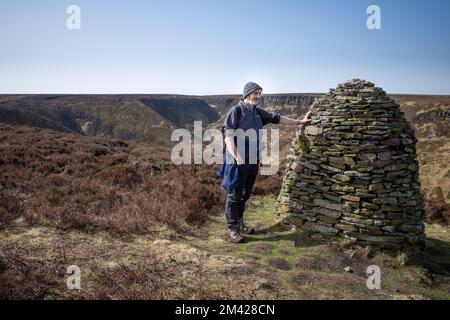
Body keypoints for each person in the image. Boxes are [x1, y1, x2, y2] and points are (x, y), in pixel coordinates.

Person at [223, 81, 312, 243]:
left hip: (253, 160)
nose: (258, 97)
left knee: (245, 193)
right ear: (247, 94)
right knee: (234, 195)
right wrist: (237, 157)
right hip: (237, 161)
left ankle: (240, 223)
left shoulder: (257, 112)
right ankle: (233, 229)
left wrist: (300, 122)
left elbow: (277, 118)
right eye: (255, 93)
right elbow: (228, 136)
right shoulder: (236, 111)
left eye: (259, 94)